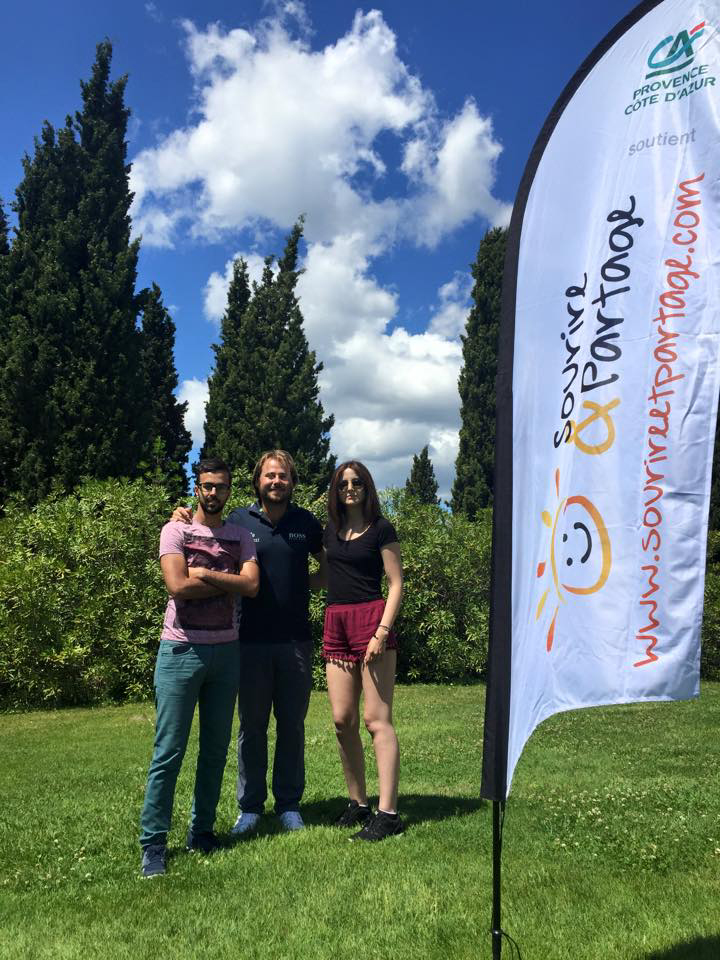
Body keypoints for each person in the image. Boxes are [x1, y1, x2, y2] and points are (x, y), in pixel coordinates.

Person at [172, 450, 324, 834]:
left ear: (292, 482)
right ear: (257, 481)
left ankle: (289, 805)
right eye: (269, 475)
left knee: (292, 726)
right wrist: (181, 515)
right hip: (248, 641)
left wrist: (302, 584)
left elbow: (329, 566)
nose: (276, 482)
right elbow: (205, 527)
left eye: (283, 476)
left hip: (295, 642)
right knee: (251, 727)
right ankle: (251, 807)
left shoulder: (306, 522)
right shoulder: (240, 520)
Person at [140, 458, 259, 878]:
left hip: (226, 652)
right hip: (180, 650)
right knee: (168, 751)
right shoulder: (174, 530)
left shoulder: (241, 536)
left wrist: (204, 572)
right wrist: (227, 580)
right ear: (197, 488)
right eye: (207, 485)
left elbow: (251, 585)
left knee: (215, 749)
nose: (213, 492)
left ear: (229, 491)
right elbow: (176, 585)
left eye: (221, 486)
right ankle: (153, 843)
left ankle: (202, 831)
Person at [321, 460, 404, 840]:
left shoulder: (381, 528)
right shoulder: (330, 531)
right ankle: (358, 804)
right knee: (342, 720)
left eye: (356, 483)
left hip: (372, 621)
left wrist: (381, 632)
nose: (350, 488)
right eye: (343, 484)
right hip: (336, 622)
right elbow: (324, 576)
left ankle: (388, 814)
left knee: (376, 719)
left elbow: (396, 582)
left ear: (367, 488)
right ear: (335, 491)